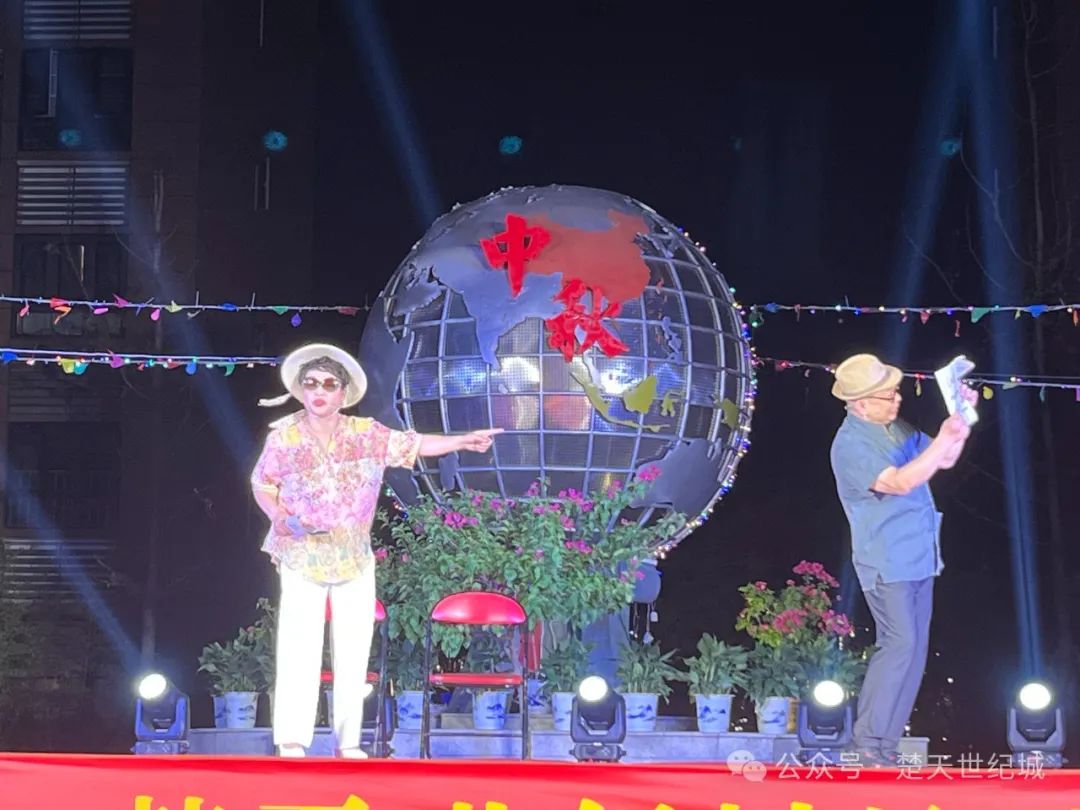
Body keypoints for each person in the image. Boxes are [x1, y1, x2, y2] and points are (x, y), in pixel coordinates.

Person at [251, 343, 500, 758]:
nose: (319, 391)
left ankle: (348, 741)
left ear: (342, 393)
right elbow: (262, 484)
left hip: (353, 556)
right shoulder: (284, 438)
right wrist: (278, 515)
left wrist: (461, 441)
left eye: (328, 384)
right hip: (300, 553)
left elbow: (414, 444)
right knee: (298, 648)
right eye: (311, 383)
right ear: (300, 390)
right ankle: (291, 741)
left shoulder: (365, 433)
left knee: (353, 650)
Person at [829, 353, 977, 766]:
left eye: (895, 392)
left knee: (914, 650)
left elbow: (942, 459)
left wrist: (961, 421)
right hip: (886, 559)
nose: (897, 400)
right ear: (860, 404)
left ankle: (885, 745)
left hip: (918, 555)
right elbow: (900, 481)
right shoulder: (851, 444)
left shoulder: (895, 428)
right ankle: (866, 741)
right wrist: (945, 437)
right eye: (887, 395)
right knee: (899, 643)